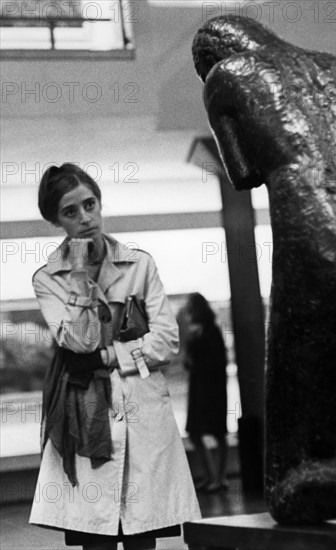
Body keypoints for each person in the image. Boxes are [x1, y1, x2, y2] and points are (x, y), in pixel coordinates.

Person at [29, 163, 200, 550]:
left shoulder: (140, 264)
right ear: (56, 221)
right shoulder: (47, 279)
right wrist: (77, 274)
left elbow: (168, 342)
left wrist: (111, 355)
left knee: (143, 532)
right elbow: (79, 342)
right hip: (85, 413)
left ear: (100, 203)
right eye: (70, 212)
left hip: (142, 412)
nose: (85, 218)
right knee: (97, 533)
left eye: (89, 205)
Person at [182, 293, 228, 492]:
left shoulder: (208, 332)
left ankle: (217, 477)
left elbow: (212, 361)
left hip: (207, 388)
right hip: (205, 387)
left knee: (210, 432)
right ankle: (215, 476)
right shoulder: (207, 331)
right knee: (204, 432)